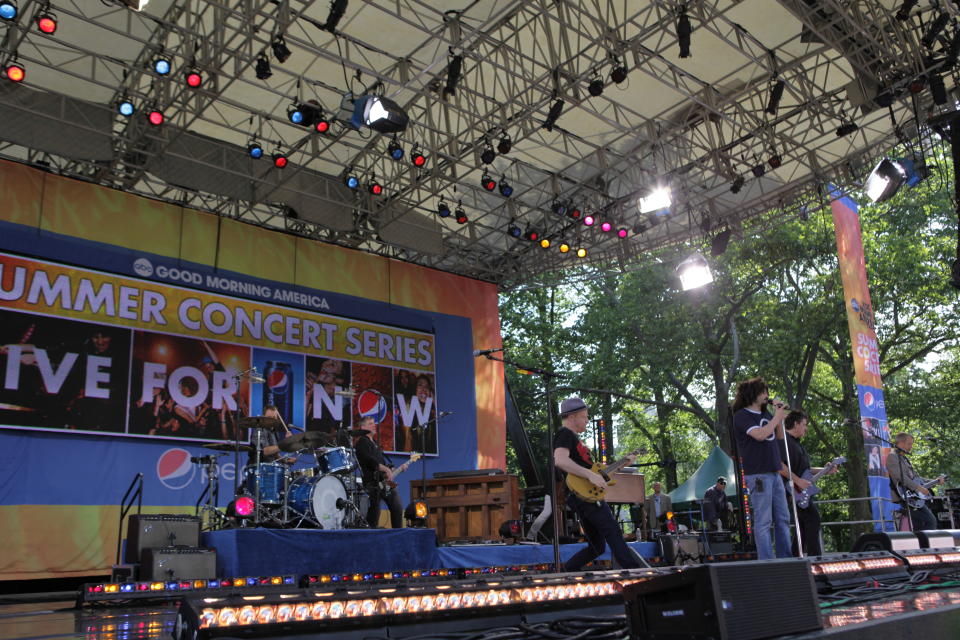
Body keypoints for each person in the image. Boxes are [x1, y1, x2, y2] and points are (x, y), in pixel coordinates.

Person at [553, 396, 643, 571]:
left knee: (597, 547)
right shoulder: (565, 433)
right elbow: (560, 460)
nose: (587, 420)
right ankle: (635, 572)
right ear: (572, 417)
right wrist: (590, 475)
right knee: (613, 531)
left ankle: (567, 571)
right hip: (584, 495)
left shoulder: (575, 439)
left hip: (582, 494)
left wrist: (624, 463)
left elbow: (598, 472)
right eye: (585, 416)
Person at [731, 377, 793, 560]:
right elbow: (759, 435)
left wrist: (778, 416)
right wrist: (776, 418)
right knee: (764, 519)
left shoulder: (767, 416)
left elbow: (779, 436)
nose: (767, 395)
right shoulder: (742, 416)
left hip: (774, 472)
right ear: (753, 394)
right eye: (763, 392)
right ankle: (767, 559)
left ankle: (785, 557)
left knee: (783, 518)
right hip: (758, 474)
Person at [779, 410, 834, 557]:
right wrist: (797, 482)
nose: (806, 428)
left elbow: (805, 470)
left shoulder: (797, 444)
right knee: (813, 519)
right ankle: (815, 557)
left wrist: (826, 470)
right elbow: (780, 466)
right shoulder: (784, 441)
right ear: (796, 424)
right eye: (804, 424)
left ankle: (796, 556)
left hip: (801, 491)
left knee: (803, 526)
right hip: (792, 491)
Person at [887, 432, 944, 532]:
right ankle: (926, 545)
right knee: (930, 521)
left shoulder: (904, 458)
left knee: (919, 525)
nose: (911, 447)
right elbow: (901, 477)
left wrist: (935, 481)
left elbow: (917, 478)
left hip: (914, 498)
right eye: (909, 444)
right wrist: (918, 488)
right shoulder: (892, 457)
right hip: (905, 498)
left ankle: (919, 545)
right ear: (900, 443)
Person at [354, 416, 404, 528]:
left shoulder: (375, 443)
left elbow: (380, 462)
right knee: (374, 513)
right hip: (372, 483)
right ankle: (371, 534)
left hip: (383, 481)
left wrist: (390, 469)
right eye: (370, 423)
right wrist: (385, 469)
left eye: (374, 423)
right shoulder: (362, 443)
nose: (374, 425)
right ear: (363, 427)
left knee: (397, 507)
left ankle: (398, 532)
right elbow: (370, 461)